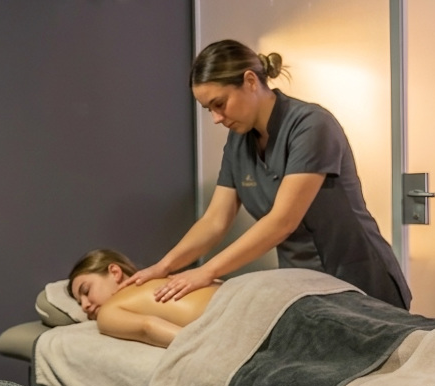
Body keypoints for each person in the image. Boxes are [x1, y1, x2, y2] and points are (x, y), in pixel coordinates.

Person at [123, 39, 411, 310]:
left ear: (250, 81)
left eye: (220, 104)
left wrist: (206, 271)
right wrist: (164, 267)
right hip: (304, 287)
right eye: (208, 109)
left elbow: (282, 221)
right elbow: (214, 221)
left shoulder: (311, 125)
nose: (216, 118)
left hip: (359, 279)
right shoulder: (238, 142)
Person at [67, 249, 219, 348]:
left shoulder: (108, 312)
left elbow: (148, 327)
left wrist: (206, 347)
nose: (84, 306)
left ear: (115, 272)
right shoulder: (164, 279)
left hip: (220, 315)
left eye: (86, 291)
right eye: (80, 302)